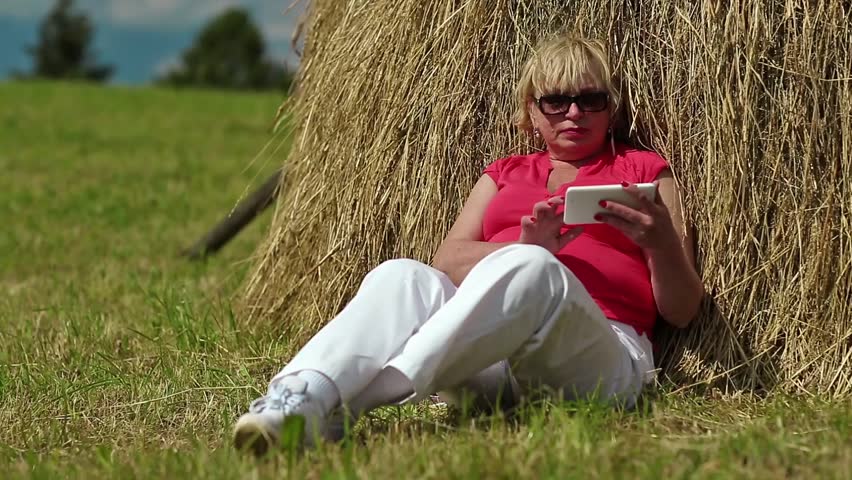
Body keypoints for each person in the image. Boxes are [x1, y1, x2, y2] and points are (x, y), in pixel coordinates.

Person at [232, 34, 704, 455]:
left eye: (590, 99)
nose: (574, 113)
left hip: (598, 360)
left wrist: (662, 243)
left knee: (534, 270)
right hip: (488, 360)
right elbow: (448, 259)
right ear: (531, 114)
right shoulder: (505, 174)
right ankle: (298, 395)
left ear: (611, 108)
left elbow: (681, 310)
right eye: (556, 102)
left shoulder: (643, 170)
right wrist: (526, 244)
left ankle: (358, 401)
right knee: (402, 275)